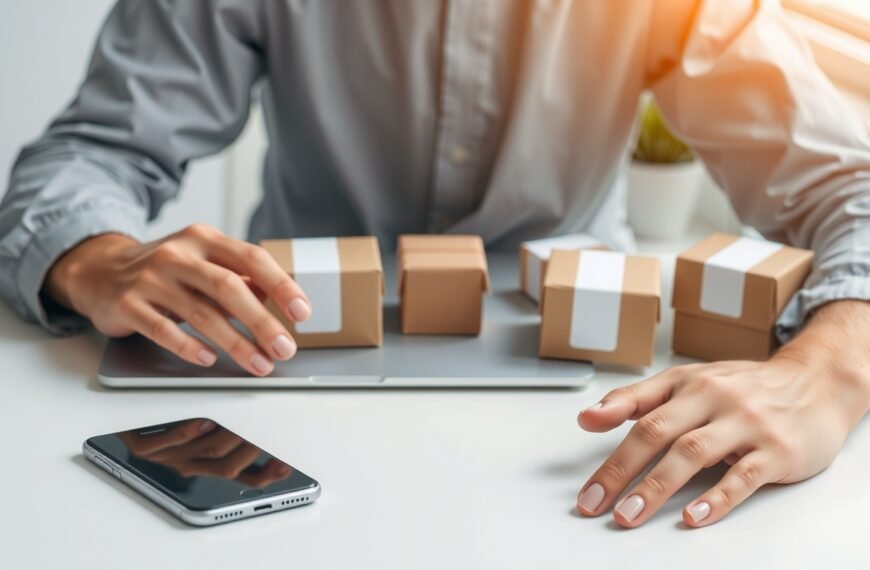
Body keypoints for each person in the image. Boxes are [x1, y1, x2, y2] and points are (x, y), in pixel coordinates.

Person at [1, 0, 869, 530]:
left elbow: (847, 185)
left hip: (583, 404)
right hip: (278, 384)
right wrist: (95, 256)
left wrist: (831, 365)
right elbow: (89, 152)